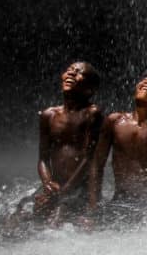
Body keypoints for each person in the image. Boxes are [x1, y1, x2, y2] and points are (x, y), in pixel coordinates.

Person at [90, 73, 147, 223]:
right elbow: (97, 165)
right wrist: (93, 206)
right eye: (144, 80)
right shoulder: (115, 121)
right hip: (118, 201)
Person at [32, 61, 104, 224]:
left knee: (55, 221)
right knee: (20, 215)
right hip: (55, 185)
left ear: (90, 89)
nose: (71, 73)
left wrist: (64, 192)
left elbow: (88, 158)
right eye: (69, 70)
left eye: (80, 73)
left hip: (78, 187)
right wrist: (48, 184)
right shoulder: (48, 115)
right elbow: (43, 159)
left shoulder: (92, 114)